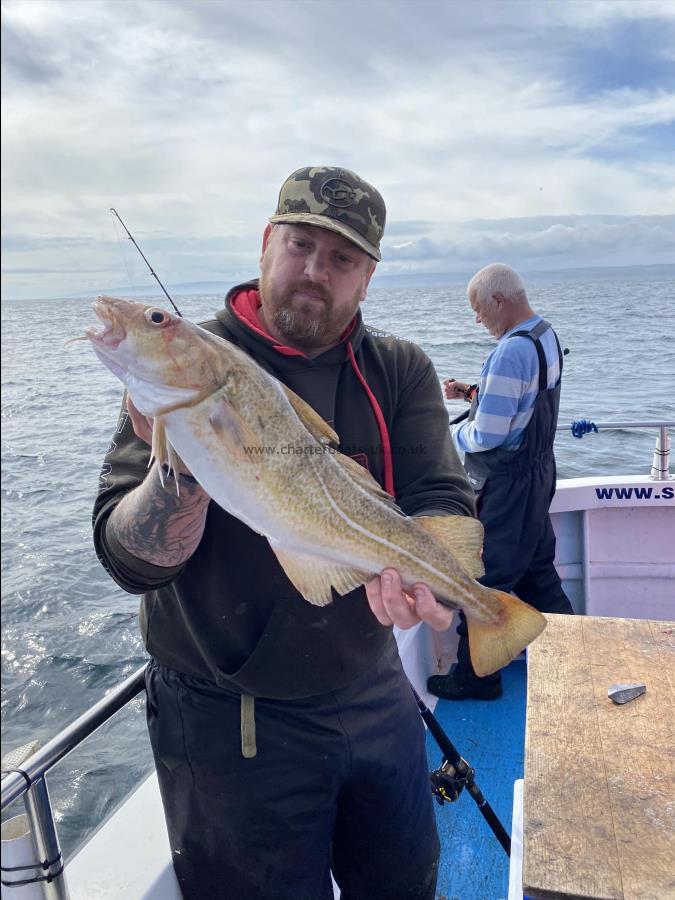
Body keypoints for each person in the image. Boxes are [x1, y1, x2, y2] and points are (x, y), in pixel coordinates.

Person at [92, 166, 477, 900]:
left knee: (405, 884)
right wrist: (186, 469)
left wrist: (437, 584)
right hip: (224, 714)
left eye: (341, 259)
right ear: (268, 243)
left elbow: (439, 493)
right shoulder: (185, 368)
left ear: (366, 279)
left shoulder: (397, 368)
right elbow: (129, 561)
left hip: (371, 688)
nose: (313, 270)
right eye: (300, 244)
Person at [427, 263, 574, 703]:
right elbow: (524, 403)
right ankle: (572, 656)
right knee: (538, 574)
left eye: (478, 310)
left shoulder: (510, 351)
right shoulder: (543, 336)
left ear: (498, 301)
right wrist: (474, 391)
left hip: (507, 486)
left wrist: (444, 436)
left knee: (483, 581)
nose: (478, 320)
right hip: (538, 475)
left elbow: (488, 435)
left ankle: (478, 679)